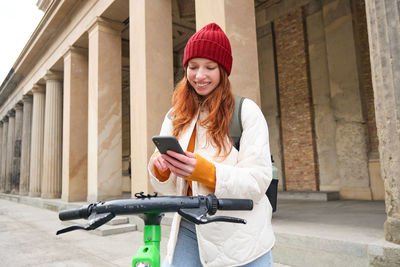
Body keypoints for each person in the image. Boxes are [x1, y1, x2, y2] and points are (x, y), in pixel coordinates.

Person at [148, 23, 274, 267]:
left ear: (223, 71)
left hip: (242, 235)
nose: (199, 76)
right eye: (192, 67)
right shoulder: (175, 116)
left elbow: (258, 181)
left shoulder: (246, 112)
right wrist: (160, 167)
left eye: (210, 67)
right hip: (187, 227)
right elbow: (165, 185)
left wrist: (206, 172)